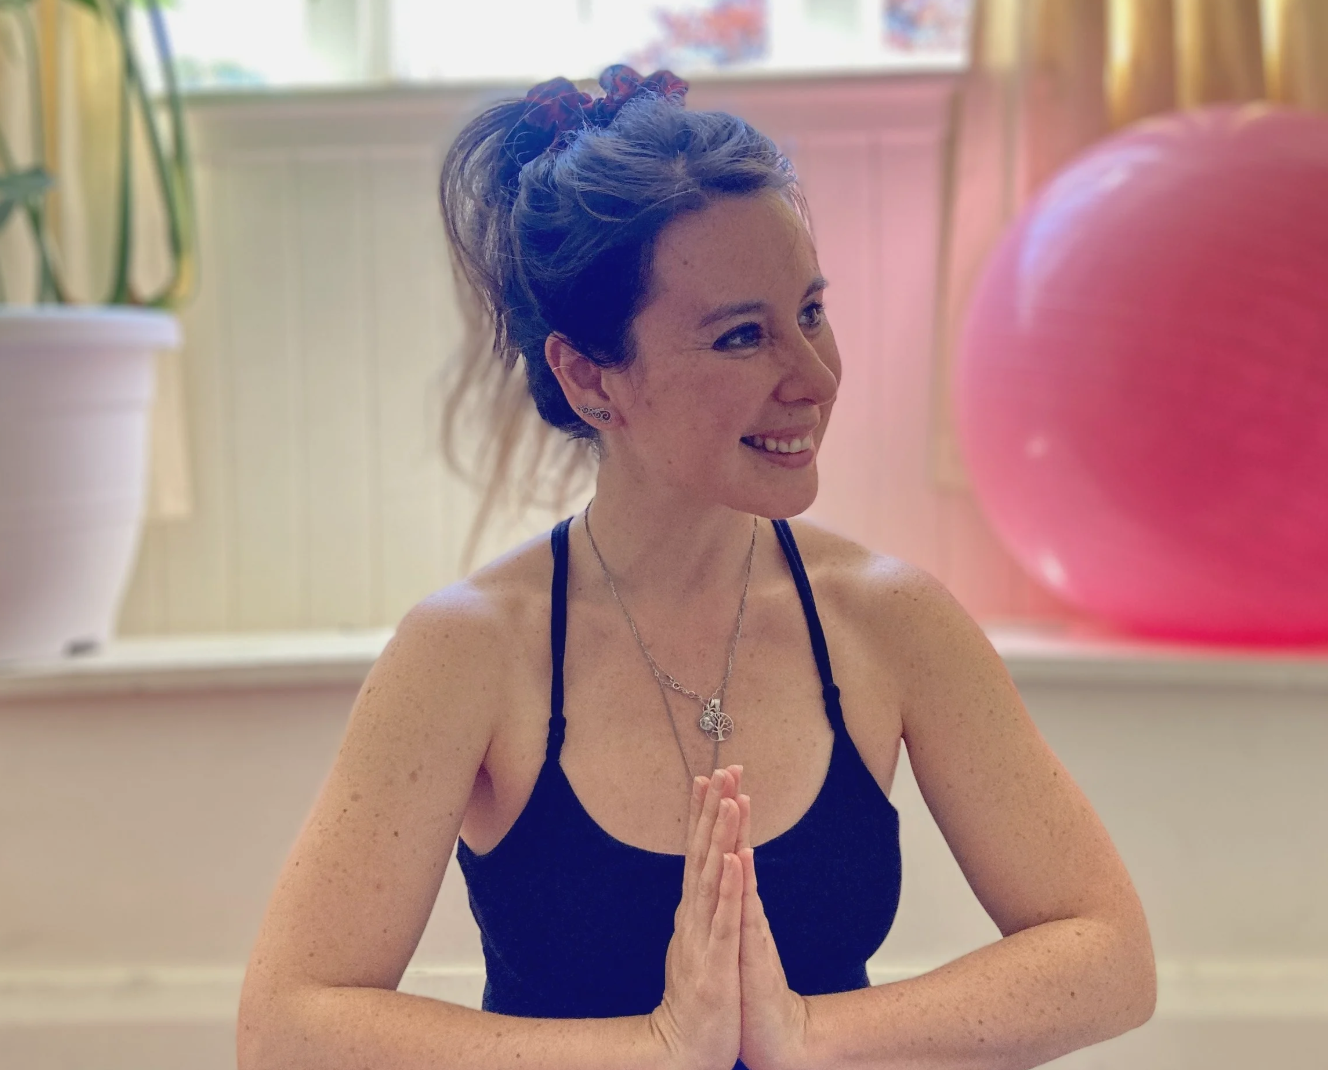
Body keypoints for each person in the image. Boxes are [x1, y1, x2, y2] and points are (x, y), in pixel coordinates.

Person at [237, 65, 1156, 1070]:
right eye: (741, 336)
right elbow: (286, 1027)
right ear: (589, 378)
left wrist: (806, 1032)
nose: (813, 377)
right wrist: (656, 1047)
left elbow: (1108, 956)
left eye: (811, 312)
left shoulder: (887, 619)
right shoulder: (469, 651)